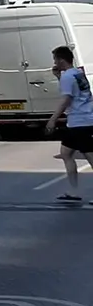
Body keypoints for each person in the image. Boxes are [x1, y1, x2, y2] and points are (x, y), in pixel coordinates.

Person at [44, 45, 93, 202]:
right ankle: (73, 192)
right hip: (80, 120)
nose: (54, 62)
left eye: (55, 59)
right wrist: (59, 76)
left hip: (80, 122)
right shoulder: (78, 74)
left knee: (90, 157)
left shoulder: (67, 77)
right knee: (66, 153)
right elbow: (78, 92)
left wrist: (53, 119)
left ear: (61, 60)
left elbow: (66, 99)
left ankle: (74, 191)